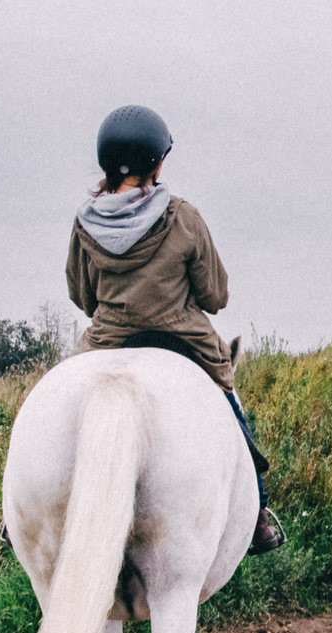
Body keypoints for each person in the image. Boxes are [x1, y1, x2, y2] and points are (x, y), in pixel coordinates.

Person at [65, 104, 284, 553]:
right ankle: (259, 514)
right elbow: (214, 296)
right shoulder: (183, 216)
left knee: (56, 401)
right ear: (158, 162)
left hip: (106, 339)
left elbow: (82, 297)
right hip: (184, 341)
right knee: (229, 406)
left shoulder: (85, 222)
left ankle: (15, 516)